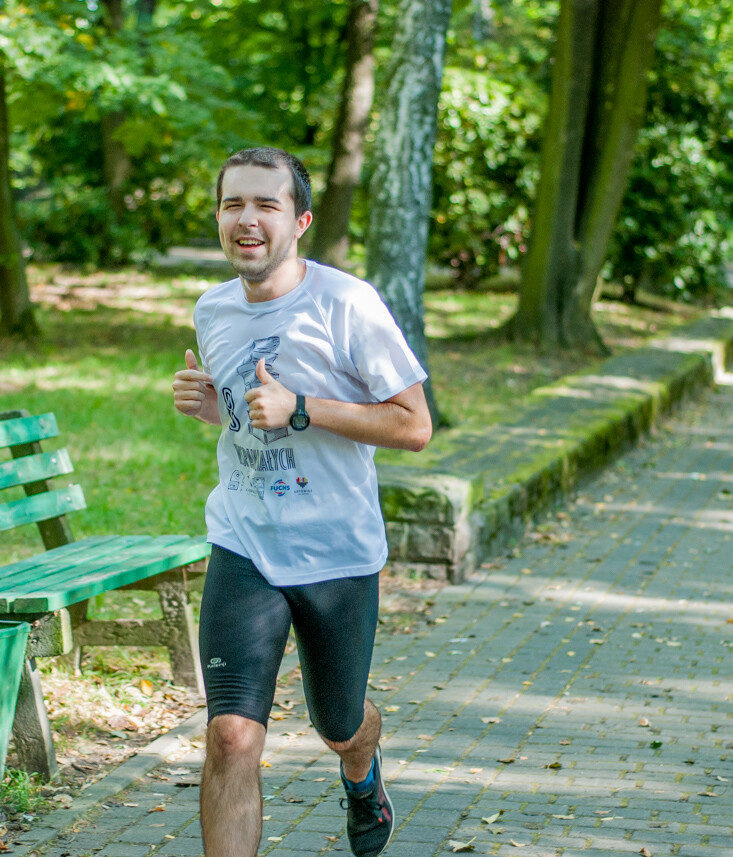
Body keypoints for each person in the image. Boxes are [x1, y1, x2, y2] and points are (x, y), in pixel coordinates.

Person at [172, 146, 433, 857]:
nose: (247, 219)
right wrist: (211, 408)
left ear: (300, 220)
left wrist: (301, 409)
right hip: (245, 540)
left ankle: (360, 765)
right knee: (231, 735)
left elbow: (414, 425)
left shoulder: (347, 304)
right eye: (233, 204)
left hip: (336, 551)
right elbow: (248, 414)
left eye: (266, 204)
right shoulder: (213, 308)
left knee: (339, 722)